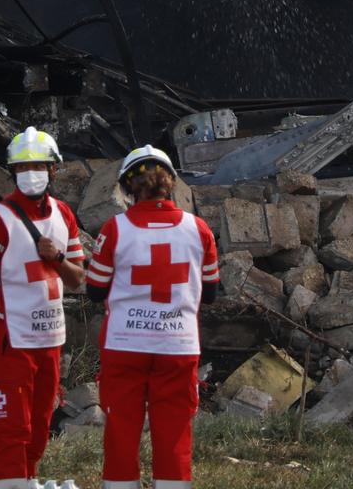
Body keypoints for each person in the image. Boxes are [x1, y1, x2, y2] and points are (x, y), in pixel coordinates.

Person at [87, 145, 219, 489]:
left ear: (127, 188)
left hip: (124, 344)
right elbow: (211, 292)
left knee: (122, 427)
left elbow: (95, 291)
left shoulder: (114, 229)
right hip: (178, 344)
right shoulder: (199, 229)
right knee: (174, 429)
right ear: (171, 183)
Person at [0, 126, 85, 489]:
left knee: (40, 420)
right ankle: (11, 483)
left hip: (50, 336)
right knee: (11, 423)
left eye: (37, 165)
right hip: (11, 336)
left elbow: (77, 278)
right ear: (12, 171)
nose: (30, 173)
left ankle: (29, 478)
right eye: (22, 167)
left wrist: (57, 257)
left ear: (53, 169)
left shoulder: (63, 214)